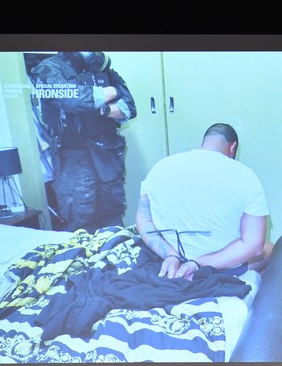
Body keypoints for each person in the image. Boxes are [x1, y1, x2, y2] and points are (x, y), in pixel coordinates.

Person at [135, 123, 269, 281]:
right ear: (233, 148)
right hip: (218, 268)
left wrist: (172, 255)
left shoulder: (160, 167)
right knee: (271, 249)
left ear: (202, 144)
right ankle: (259, 297)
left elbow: (143, 220)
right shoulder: (246, 177)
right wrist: (198, 263)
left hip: (166, 262)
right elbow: (254, 247)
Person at [31, 52, 137, 232]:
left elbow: (129, 108)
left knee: (113, 217)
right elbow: (73, 100)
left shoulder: (103, 68)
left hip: (108, 155)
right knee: (80, 219)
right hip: (74, 157)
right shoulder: (48, 68)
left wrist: (100, 108)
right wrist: (112, 92)